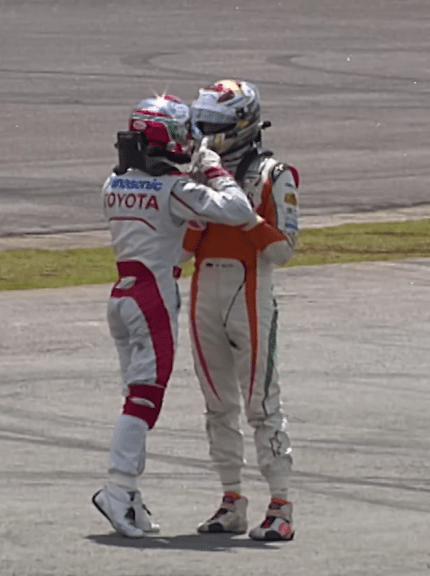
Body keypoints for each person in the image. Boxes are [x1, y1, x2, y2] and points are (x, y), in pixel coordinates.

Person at [92, 93, 264, 538]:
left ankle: (127, 495)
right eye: (183, 133)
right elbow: (239, 210)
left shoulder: (112, 184)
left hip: (121, 293)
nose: (190, 140)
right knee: (145, 398)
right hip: (152, 295)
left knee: (135, 394)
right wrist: (213, 169)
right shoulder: (174, 189)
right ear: (162, 139)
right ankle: (117, 488)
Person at [184, 79, 300, 541]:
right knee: (217, 405)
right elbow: (181, 251)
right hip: (203, 291)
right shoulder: (194, 172)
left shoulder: (274, 174)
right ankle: (231, 500)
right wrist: (196, 205)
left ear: (241, 124)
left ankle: (282, 505)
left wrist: (244, 215)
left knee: (261, 403)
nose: (204, 132)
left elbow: (285, 250)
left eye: (213, 124)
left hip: (250, 291)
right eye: (202, 123)